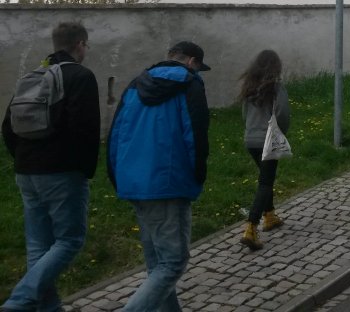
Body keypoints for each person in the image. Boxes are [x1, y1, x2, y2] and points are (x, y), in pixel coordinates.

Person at [2, 21, 100, 312]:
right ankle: (20, 300)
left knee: (38, 245)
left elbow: (7, 126)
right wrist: (85, 169)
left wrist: (22, 158)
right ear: (80, 44)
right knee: (70, 240)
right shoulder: (80, 76)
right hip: (62, 171)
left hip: (26, 171)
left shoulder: (32, 75)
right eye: (86, 45)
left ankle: (49, 307)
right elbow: (85, 129)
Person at [107, 41, 211, 312]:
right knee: (173, 262)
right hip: (169, 182)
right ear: (191, 61)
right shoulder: (190, 84)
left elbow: (115, 133)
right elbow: (196, 135)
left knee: (157, 264)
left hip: (133, 180)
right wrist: (198, 175)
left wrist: (117, 175)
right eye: (198, 66)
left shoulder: (135, 84)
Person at [238, 49, 291, 251]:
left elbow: (244, 114)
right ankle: (251, 227)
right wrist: (280, 133)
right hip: (268, 140)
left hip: (250, 139)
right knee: (266, 182)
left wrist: (251, 129)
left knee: (265, 177)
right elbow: (283, 113)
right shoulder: (276, 88)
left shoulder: (248, 87)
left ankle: (270, 216)